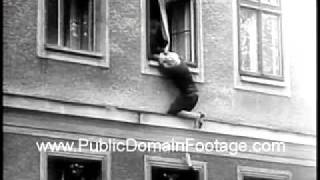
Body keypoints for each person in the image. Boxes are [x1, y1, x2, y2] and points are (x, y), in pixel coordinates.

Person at [149, 19, 205, 128]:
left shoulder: (175, 69)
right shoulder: (181, 65)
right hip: (193, 95)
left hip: (188, 96)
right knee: (177, 111)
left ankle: (197, 116)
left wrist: (156, 58)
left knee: (173, 112)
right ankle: (196, 116)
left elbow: (163, 68)